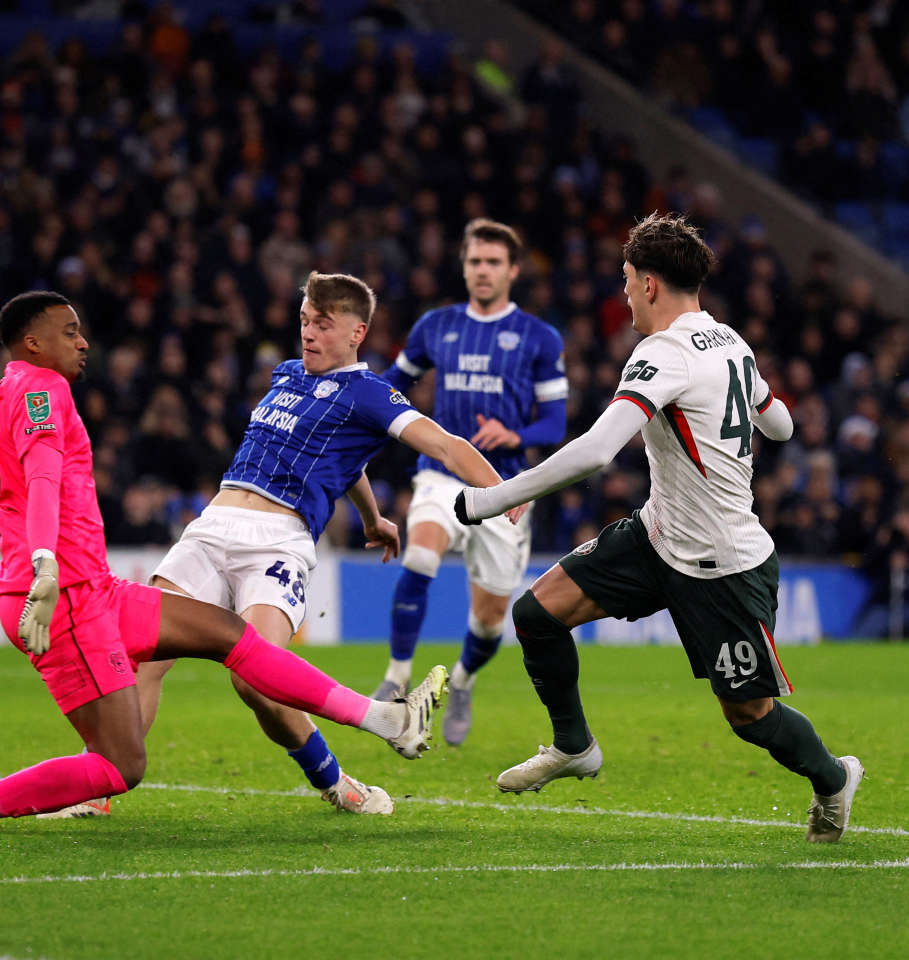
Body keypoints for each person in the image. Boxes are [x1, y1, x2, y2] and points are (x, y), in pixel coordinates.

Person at [0, 292, 449, 832]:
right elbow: (45, 479)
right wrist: (46, 567)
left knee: (232, 638)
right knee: (120, 764)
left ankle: (387, 719)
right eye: (69, 332)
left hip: (88, 592)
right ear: (32, 342)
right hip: (64, 598)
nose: (83, 343)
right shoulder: (42, 392)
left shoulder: (9, 388)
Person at [455, 213, 862, 843]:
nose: (622, 294)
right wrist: (764, 410)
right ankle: (574, 747)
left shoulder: (664, 352)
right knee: (537, 614)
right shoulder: (731, 342)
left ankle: (834, 779)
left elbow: (596, 452)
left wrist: (494, 500)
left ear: (649, 285)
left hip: (724, 563)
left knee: (750, 716)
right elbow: (778, 424)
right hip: (657, 536)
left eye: (625, 280)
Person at [113, 273, 524, 818]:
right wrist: (372, 517)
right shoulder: (287, 375)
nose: (307, 333)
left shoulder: (372, 394)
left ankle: (335, 783)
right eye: (304, 320)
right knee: (140, 657)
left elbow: (444, 445)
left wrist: (502, 490)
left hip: (276, 543)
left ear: (357, 332)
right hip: (211, 528)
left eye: (322, 324)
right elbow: (340, 459)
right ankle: (103, 785)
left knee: (255, 679)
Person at [377, 219, 567, 748]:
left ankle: (461, 683)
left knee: (488, 623)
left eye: (492, 262)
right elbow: (394, 384)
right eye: (473, 261)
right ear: (463, 267)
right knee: (420, 556)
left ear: (512, 270)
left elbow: (554, 423)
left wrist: (515, 431)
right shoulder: (435, 326)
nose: (481, 271)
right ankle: (395, 677)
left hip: (505, 486)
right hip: (440, 474)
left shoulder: (539, 337)